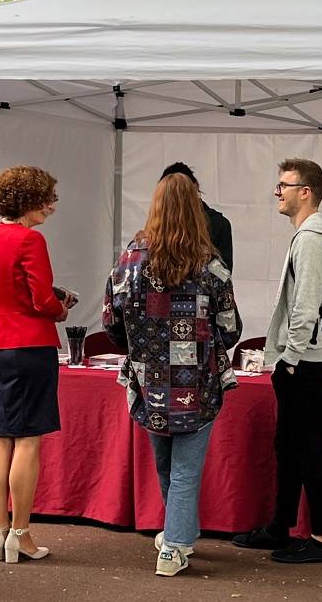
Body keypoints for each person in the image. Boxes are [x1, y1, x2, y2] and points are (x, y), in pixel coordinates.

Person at [103, 175, 243, 577]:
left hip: (148, 378)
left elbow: (111, 320)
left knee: (165, 464)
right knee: (186, 467)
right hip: (195, 380)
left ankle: (174, 534)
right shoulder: (209, 263)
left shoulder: (130, 258)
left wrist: (141, 345)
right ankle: (175, 544)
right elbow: (230, 326)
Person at [232, 158, 322, 564]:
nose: (278, 193)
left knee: (307, 447)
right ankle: (279, 526)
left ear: (305, 192)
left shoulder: (312, 239)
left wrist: (289, 357)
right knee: (289, 444)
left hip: (306, 358)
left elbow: (306, 305)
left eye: (283, 186)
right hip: (312, 354)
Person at [0, 166, 73, 564]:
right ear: (29, 201)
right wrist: (61, 307)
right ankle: (21, 533)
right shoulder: (31, 240)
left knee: (2, 437)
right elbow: (42, 300)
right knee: (29, 439)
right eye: (47, 199)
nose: (51, 206)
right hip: (32, 346)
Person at [162, 161, 235, 271]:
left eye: (181, 191)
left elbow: (223, 276)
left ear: (195, 186)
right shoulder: (160, 225)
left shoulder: (218, 224)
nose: (177, 198)